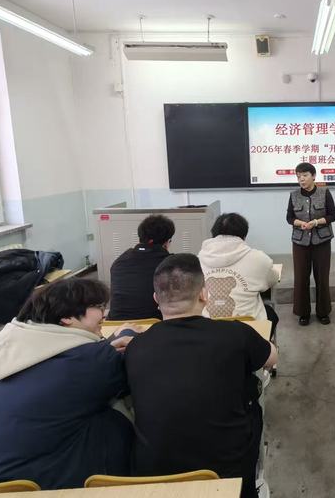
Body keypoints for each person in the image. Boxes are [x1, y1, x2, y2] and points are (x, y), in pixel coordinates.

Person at [0, 279, 134, 489]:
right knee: (114, 419)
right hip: (11, 490)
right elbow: (133, 375)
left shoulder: (3, 350)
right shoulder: (92, 360)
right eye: (98, 307)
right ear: (67, 317)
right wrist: (128, 334)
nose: (104, 314)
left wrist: (106, 347)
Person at [125, 254, 278, 498]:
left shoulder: (136, 347)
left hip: (155, 476)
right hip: (229, 474)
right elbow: (271, 358)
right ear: (204, 294)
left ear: (156, 299)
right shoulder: (235, 334)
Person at [198, 212, 281, 335]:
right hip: (248, 330)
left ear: (213, 234)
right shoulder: (258, 258)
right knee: (270, 313)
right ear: (244, 236)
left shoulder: (197, 260)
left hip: (206, 329)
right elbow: (272, 280)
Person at [286, 162, 335, 326]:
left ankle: (323, 312)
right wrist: (299, 223)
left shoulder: (324, 192)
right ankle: (303, 313)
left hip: (322, 240)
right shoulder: (293, 195)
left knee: (322, 277)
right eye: (298, 176)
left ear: (313, 176)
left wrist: (316, 222)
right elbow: (289, 218)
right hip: (300, 242)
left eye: (305, 175)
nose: (301, 179)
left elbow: (332, 215)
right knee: (301, 277)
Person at [108, 214, 174, 320]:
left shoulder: (119, 261)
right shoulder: (171, 264)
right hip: (155, 324)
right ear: (166, 243)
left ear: (140, 238)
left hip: (116, 324)